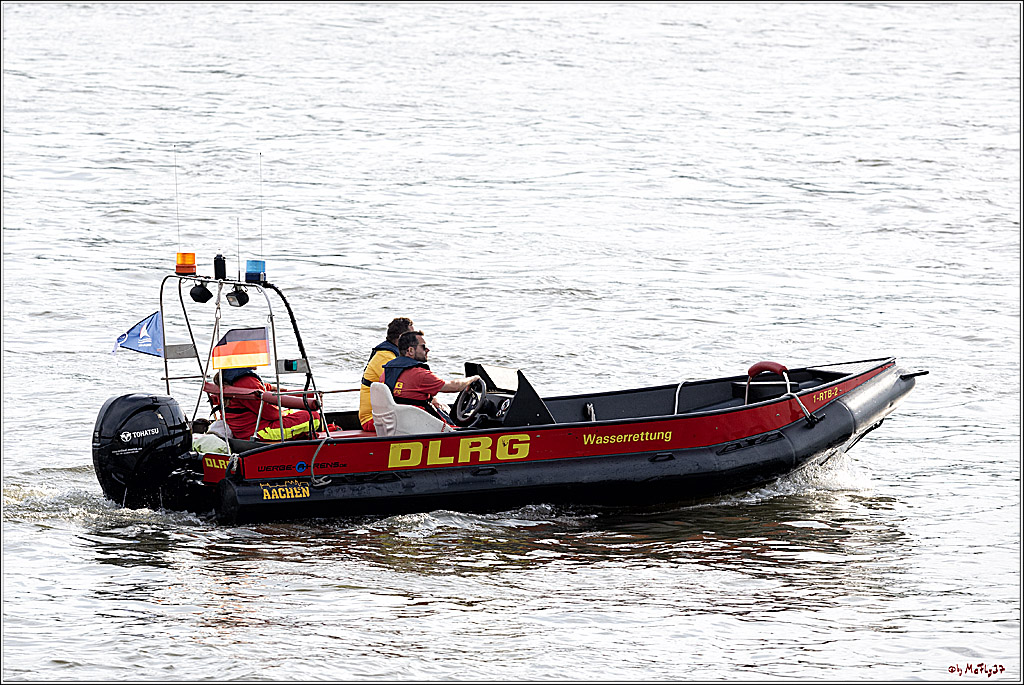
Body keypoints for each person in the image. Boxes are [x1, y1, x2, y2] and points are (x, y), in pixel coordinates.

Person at [379, 330, 482, 425]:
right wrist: (473, 378)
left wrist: (432, 399)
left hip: (398, 423)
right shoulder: (420, 375)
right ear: (410, 350)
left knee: (444, 406)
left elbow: (408, 393)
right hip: (420, 425)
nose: (428, 350)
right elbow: (454, 387)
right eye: (423, 347)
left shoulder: (386, 373)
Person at [212, 367, 321, 442]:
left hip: (241, 431)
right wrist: (284, 411)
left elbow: (262, 388)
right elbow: (272, 414)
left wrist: (280, 390)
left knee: (291, 412)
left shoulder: (226, 378)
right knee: (314, 417)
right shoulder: (246, 381)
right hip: (258, 433)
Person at [358, 317, 415, 432]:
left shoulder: (393, 355)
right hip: (373, 419)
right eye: (412, 336)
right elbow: (404, 386)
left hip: (386, 415)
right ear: (401, 338)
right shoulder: (385, 357)